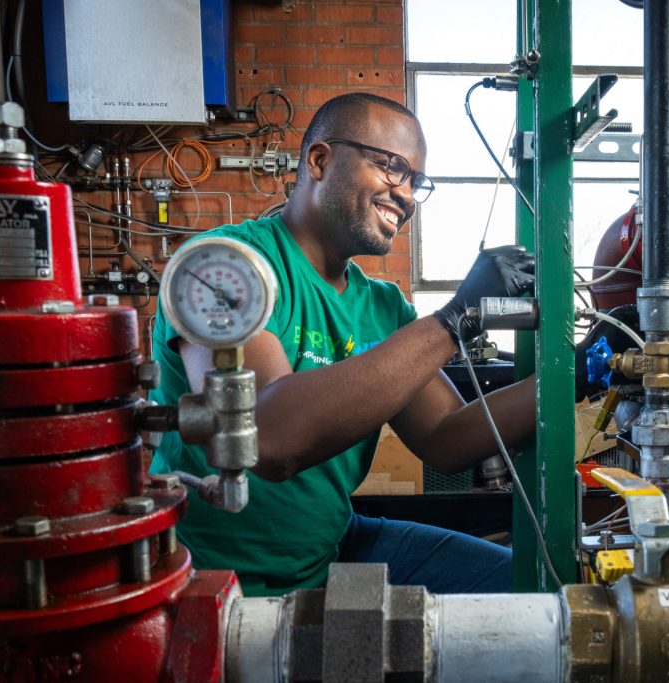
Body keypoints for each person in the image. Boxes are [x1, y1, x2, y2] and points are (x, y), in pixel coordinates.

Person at [149, 93, 536, 597]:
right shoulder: (224, 267)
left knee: (529, 585)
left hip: (331, 546)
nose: (407, 195)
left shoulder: (382, 305)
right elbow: (268, 439)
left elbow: (445, 438)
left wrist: (581, 369)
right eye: (391, 168)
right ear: (320, 160)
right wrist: (455, 319)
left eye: (416, 182)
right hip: (212, 576)